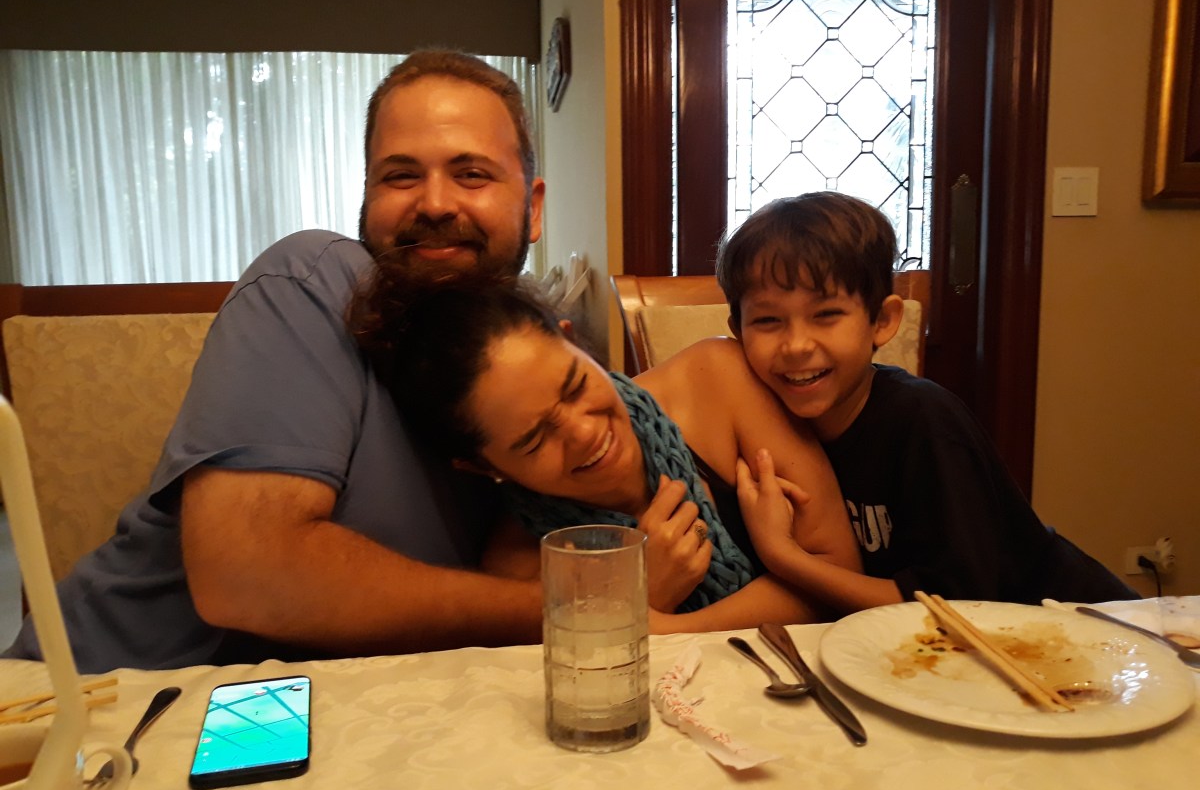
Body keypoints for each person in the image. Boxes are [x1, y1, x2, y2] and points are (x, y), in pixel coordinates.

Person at [5, 51, 562, 672]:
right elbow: (246, 574)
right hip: (97, 701)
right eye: (400, 176)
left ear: (533, 208)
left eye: (472, 174)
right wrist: (555, 609)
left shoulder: (537, 361)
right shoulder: (313, 284)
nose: (434, 204)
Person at [351, 269, 862, 632]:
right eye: (535, 439)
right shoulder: (522, 569)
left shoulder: (715, 380)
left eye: (576, 385)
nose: (583, 433)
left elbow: (838, 574)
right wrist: (640, 593)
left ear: (574, 342)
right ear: (482, 467)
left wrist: (651, 623)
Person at [715, 191, 1136, 608]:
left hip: (1078, 623)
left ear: (882, 321)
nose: (796, 345)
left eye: (826, 315)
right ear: (738, 332)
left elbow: (949, 605)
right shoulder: (764, 423)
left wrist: (784, 556)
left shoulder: (924, 421)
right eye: (768, 320)